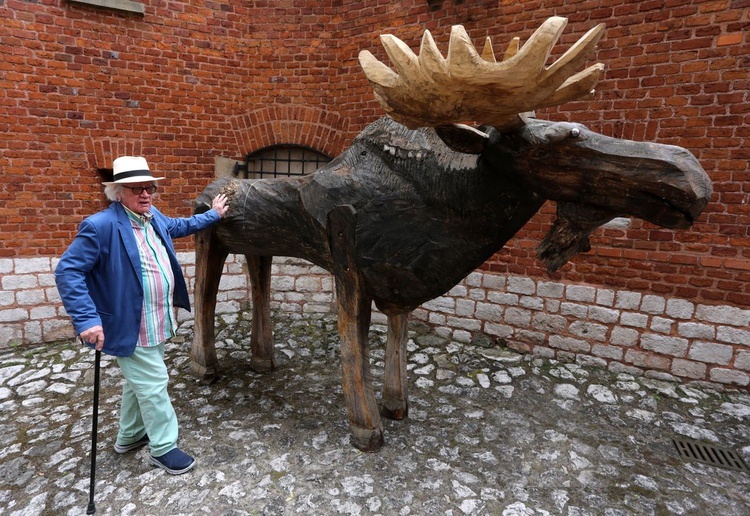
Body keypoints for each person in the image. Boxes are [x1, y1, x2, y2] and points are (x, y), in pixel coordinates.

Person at [55, 155, 229, 475]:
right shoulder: (101, 226)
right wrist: (87, 320)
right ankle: (163, 448)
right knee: (154, 382)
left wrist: (213, 215)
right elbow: (68, 271)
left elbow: (181, 225)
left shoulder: (153, 217)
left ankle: (130, 435)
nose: (146, 194)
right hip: (129, 323)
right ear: (118, 192)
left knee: (141, 381)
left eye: (149, 188)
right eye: (137, 189)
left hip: (157, 319)